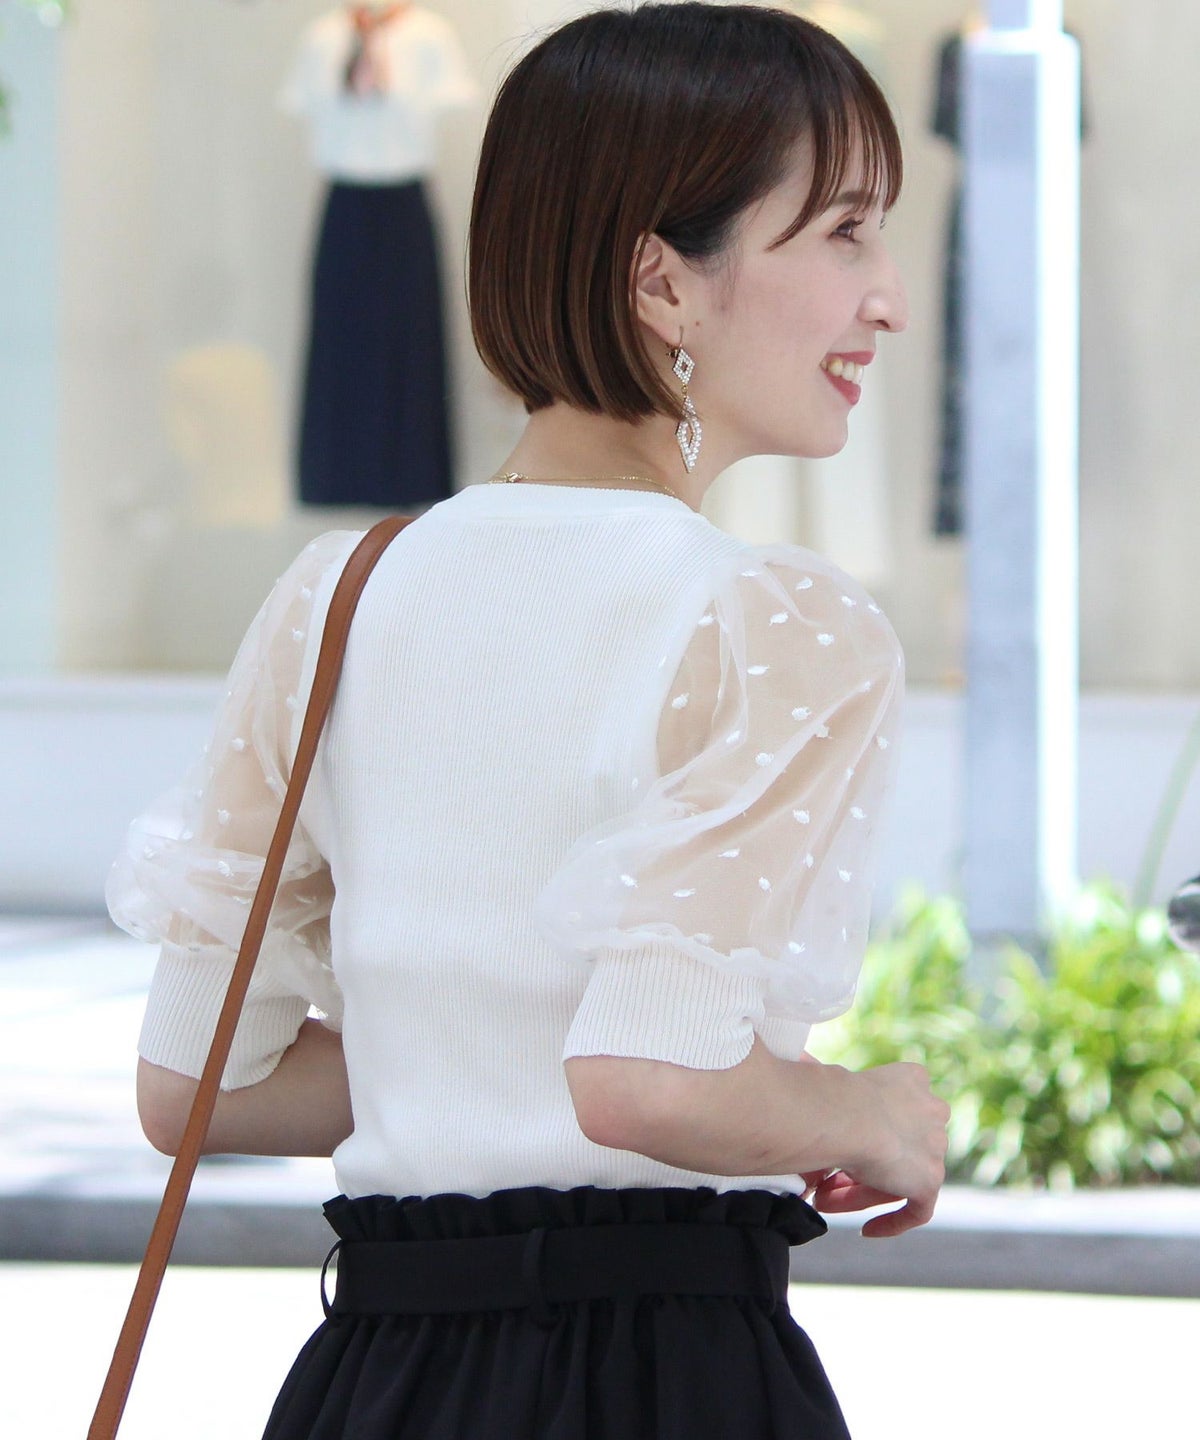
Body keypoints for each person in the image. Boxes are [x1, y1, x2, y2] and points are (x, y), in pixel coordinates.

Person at [106, 5, 950, 1436]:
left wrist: (469, 1051)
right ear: (662, 281)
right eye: (844, 233)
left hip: (378, 1381)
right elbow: (650, 1082)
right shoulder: (773, 624)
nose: (889, 300)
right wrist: (867, 1116)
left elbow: (197, 1085)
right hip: (659, 1373)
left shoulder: (341, 593)